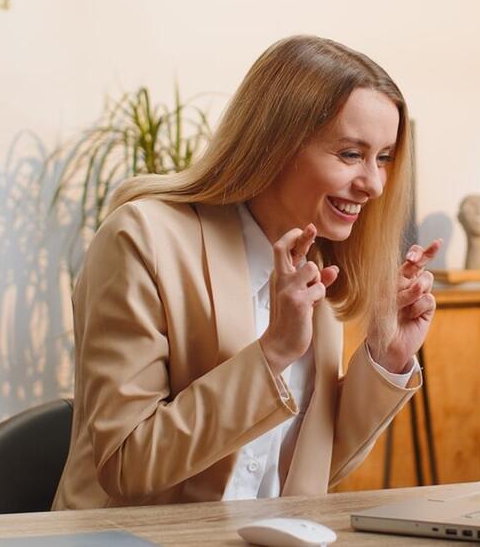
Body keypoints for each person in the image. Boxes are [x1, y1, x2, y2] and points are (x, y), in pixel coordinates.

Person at [52, 35, 441, 509]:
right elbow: (128, 465)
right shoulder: (142, 238)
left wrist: (387, 356)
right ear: (275, 145)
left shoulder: (316, 262)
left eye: (383, 158)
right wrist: (273, 352)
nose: (375, 184)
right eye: (350, 154)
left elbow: (307, 473)